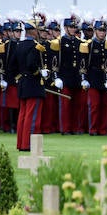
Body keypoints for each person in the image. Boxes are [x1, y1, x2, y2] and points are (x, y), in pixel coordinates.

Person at [14, 14, 47, 151]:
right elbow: (31, 64)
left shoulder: (19, 45)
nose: (40, 32)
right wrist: (40, 72)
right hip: (33, 84)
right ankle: (29, 144)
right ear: (33, 31)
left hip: (23, 83)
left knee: (23, 115)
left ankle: (21, 143)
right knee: (32, 116)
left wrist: (21, 78)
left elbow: (13, 66)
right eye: (38, 29)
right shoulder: (35, 46)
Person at [79, 17, 107, 135]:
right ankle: (93, 128)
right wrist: (84, 79)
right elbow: (83, 63)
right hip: (93, 77)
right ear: (95, 31)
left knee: (105, 105)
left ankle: (102, 129)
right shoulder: (89, 45)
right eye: (100, 30)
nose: (102, 33)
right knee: (94, 105)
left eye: (104, 30)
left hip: (105, 77)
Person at [55, 10, 86, 134]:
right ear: (65, 28)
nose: (73, 29)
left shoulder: (80, 43)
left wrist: (83, 77)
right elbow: (55, 61)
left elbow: (83, 62)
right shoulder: (60, 42)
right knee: (66, 105)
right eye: (71, 27)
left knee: (77, 105)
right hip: (65, 77)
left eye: (75, 27)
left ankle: (75, 127)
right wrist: (56, 77)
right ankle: (65, 128)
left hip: (77, 77)